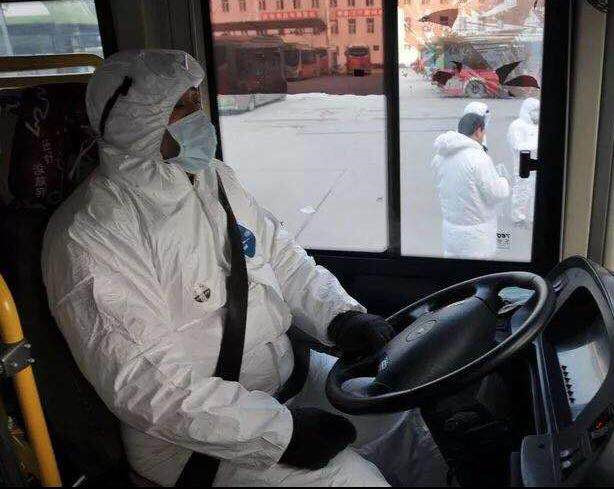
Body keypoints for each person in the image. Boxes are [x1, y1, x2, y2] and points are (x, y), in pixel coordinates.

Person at [41, 50, 443, 487]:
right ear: (137, 122)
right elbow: (143, 382)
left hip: (287, 380)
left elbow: (282, 257)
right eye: (180, 106)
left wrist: (339, 316)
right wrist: (280, 435)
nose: (199, 115)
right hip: (191, 442)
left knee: (396, 411)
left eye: (196, 99)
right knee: (353, 481)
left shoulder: (214, 177)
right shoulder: (90, 233)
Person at [431, 113, 510, 259]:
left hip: (451, 232)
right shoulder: (478, 158)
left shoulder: (440, 157)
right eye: (483, 131)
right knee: (477, 272)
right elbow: (495, 194)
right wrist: (503, 180)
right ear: (478, 131)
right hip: (477, 238)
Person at [508, 97, 540, 225]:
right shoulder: (517, 125)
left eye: (538, 110)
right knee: (522, 190)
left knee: (534, 192)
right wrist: (537, 145)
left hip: (535, 163)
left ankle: (532, 217)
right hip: (522, 164)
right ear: (527, 111)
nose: (537, 113)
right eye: (534, 110)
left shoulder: (537, 126)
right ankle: (517, 217)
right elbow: (517, 145)